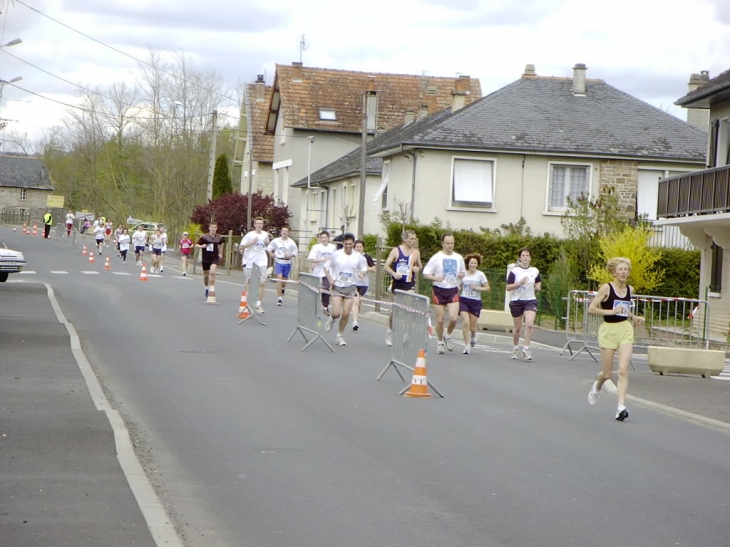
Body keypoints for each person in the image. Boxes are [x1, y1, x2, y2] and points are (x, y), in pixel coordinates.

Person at [587, 257, 645, 421]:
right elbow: (592, 308)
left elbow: (624, 310)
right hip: (608, 331)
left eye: (626, 269)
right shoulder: (606, 288)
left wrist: (634, 317)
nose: (623, 272)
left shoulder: (630, 290)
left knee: (623, 370)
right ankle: (598, 385)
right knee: (607, 373)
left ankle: (621, 407)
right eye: (620, 269)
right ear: (613, 272)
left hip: (625, 329)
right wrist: (611, 312)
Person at [423, 233, 466, 355]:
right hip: (439, 290)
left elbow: (463, 273)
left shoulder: (458, 258)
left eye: (452, 243)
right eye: (447, 243)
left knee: (453, 319)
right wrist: (435, 278)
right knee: (440, 320)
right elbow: (426, 273)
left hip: (453, 290)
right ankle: (440, 342)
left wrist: (461, 276)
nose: (450, 245)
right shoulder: (436, 257)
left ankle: (448, 335)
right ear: (442, 244)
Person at [324, 233, 367, 346]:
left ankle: (339, 335)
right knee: (337, 312)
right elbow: (326, 268)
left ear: (353, 244)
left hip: (350, 286)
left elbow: (363, 268)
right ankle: (332, 318)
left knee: (346, 313)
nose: (348, 246)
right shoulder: (336, 255)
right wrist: (330, 279)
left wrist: (362, 274)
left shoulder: (358, 256)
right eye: (346, 244)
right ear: (343, 243)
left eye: (350, 244)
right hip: (337, 286)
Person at [383, 229, 422, 346]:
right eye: (411, 239)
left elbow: (420, 265)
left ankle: (406, 335)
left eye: (414, 239)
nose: (413, 241)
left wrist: (417, 269)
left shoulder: (416, 253)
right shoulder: (396, 251)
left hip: (409, 284)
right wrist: (394, 274)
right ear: (404, 239)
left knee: (408, 310)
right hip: (397, 283)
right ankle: (390, 331)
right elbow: (386, 266)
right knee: (396, 311)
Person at [506, 248, 541, 361]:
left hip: (530, 300)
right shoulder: (515, 271)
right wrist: (519, 283)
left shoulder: (534, 270)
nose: (525, 257)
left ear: (530, 258)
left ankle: (526, 348)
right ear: (520, 258)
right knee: (517, 328)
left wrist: (538, 286)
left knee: (529, 324)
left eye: (527, 255)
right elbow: (508, 287)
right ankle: (515, 347)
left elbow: (538, 281)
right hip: (517, 301)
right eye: (523, 255)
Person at [459, 253, 490, 355]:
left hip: (475, 302)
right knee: (465, 323)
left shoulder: (480, 275)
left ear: (477, 264)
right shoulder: (463, 273)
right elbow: (459, 285)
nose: (473, 265)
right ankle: (467, 346)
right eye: (471, 263)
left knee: (472, 327)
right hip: (464, 300)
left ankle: (473, 335)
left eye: (475, 263)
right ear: (468, 264)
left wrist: (477, 288)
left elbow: (487, 288)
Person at [239, 217, 271, 313]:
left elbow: (268, 246)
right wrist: (251, 242)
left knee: (262, 282)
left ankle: (258, 304)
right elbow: (241, 247)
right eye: (257, 223)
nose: (259, 225)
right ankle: (249, 300)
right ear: (254, 225)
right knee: (249, 281)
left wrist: (267, 243)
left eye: (261, 223)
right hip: (251, 261)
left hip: (262, 261)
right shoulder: (250, 235)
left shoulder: (265, 234)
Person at [267, 226, 298, 306]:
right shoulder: (276, 241)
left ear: (288, 233)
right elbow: (269, 248)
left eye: (286, 231)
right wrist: (271, 254)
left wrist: (290, 255)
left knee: (284, 280)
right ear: (281, 232)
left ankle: (283, 288)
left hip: (287, 262)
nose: (284, 232)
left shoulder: (291, 242)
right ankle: (279, 298)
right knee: (279, 278)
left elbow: (295, 252)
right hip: (278, 261)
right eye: (283, 231)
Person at [308, 230, 337, 315]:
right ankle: (314, 306)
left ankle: (325, 306)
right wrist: (321, 260)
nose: (324, 239)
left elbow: (336, 259)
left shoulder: (333, 247)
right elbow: (311, 259)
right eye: (322, 238)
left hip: (328, 272)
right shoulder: (316, 247)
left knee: (326, 287)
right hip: (318, 271)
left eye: (325, 237)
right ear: (320, 239)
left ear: (328, 238)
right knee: (316, 290)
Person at [351, 239, 376, 331]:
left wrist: (365, 269)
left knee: (359, 302)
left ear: (363, 247)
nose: (358, 248)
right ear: (354, 247)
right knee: (355, 301)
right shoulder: (352, 257)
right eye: (357, 247)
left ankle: (356, 317)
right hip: (353, 282)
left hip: (364, 283)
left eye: (360, 247)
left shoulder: (367, 257)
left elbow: (374, 269)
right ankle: (355, 321)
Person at [197, 223, 224, 299]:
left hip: (214, 257)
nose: (213, 229)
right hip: (206, 258)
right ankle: (206, 288)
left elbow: (222, 244)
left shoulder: (219, 237)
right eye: (211, 227)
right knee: (206, 275)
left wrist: (220, 253)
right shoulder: (204, 237)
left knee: (212, 272)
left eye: (214, 227)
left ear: (216, 228)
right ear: (209, 228)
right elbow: (197, 245)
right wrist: (201, 246)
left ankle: (212, 288)